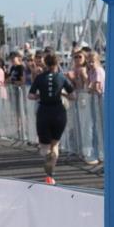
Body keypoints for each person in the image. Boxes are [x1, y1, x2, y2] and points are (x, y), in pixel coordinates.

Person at [28, 52, 75, 185]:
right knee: (55, 144)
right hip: (59, 112)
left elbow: (30, 95)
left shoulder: (40, 77)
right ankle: (51, 171)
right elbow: (73, 96)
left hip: (44, 112)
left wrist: (39, 96)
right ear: (57, 63)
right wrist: (63, 94)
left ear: (46, 64)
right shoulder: (62, 77)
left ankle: (48, 168)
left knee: (44, 146)